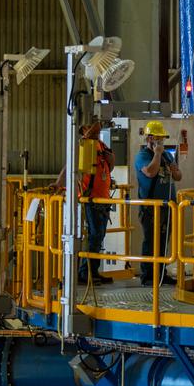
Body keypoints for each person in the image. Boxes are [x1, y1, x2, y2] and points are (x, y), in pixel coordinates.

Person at [54, 120, 114, 284]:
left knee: (99, 236)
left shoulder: (101, 146)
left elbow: (110, 166)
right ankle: (85, 273)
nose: (97, 129)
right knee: (94, 236)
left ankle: (93, 271)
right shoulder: (83, 146)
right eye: (92, 127)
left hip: (103, 198)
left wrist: (110, 157)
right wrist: (58, 184)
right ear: (84, 129)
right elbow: (69, 166)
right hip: (91, 198)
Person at [135, 120, 181, 287]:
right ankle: (147, 276)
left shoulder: (167, 156)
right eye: (157, 138)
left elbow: (178, 176)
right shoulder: (143, 156)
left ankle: (161, 273)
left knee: (163, 240)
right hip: (150, 207)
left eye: (162, 138)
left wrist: (174, 168)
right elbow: (150, 172)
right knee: (150, 241)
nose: (160, 141)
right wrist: (157, 154)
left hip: (167, 206)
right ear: (150, 139)